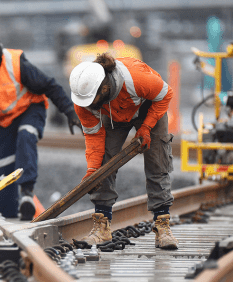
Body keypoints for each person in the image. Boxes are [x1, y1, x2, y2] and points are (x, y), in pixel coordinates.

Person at [0, 24, 82, 221]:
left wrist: (69, 111)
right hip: (0, 124)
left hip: (29, 111)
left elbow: (50, 85)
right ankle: (15, 206)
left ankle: (27, 192)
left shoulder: (15, 63)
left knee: (26, 135)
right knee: (5, 206)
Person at [68, 53, 178, 249]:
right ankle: (102, 228)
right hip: (113, 114)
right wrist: (93, 172)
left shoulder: (136, 79)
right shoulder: (84, 101)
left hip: (149, 107)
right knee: (103, 163)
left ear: (104, 88)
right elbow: (94, 138)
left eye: (92, 101)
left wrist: (146, 127)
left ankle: (162, 226)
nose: (88, 107)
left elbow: (165, 94)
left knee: (157, 161)